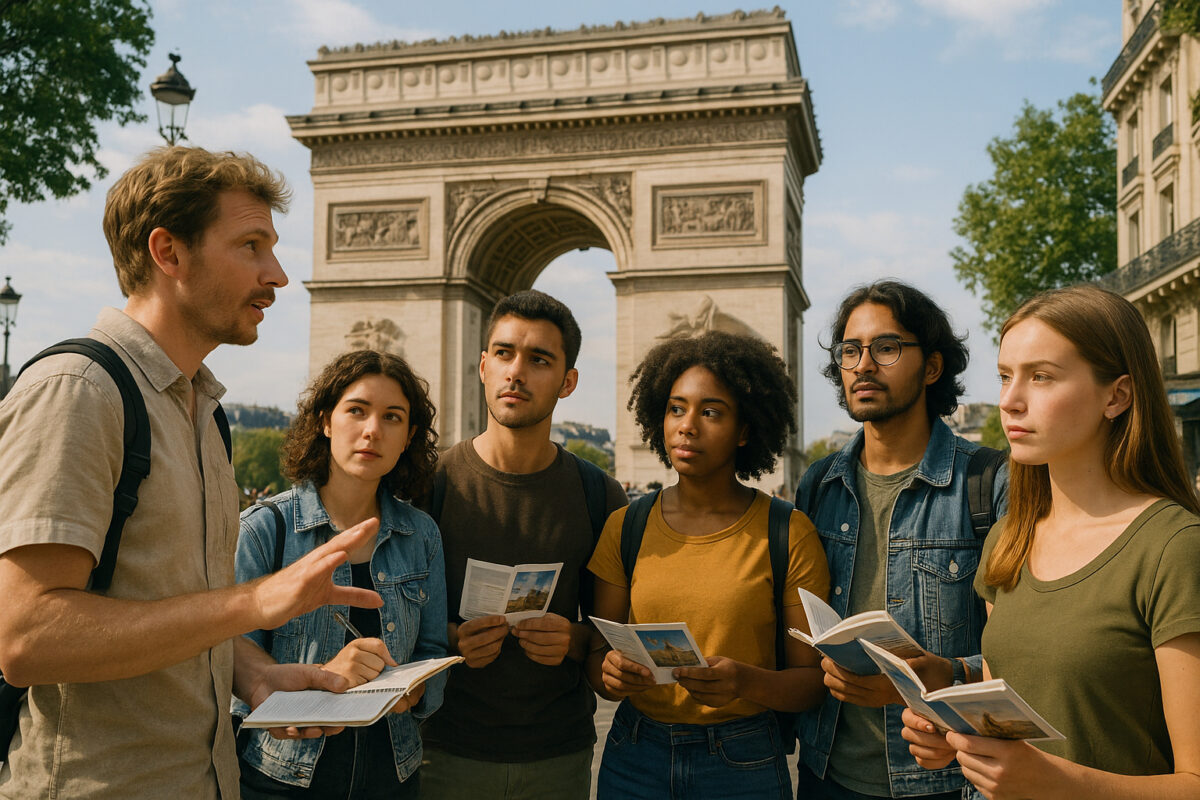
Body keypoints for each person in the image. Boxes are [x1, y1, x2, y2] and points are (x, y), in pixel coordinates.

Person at [0, 147, 383, 800]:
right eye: (251, 246)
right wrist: (255, 603)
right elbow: (26, 637)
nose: (278, 275)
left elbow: (176, 605)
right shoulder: (79, 392)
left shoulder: (206, 413)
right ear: (168, 252)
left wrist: (254, 676)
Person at [901, 285, 1200, 799]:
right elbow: (1016, 721)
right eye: (1005, 376)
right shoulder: (1008, 538)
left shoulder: (1174, 548)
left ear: (1117, 396)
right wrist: (957, 735)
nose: (1009, 401)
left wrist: (1055, 782)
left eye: (1041, 376)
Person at [587, 330, 831, 800]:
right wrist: (610, 675)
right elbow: (596, 658)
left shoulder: (788, 532)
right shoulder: (625, 526)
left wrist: (745, 682)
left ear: (745, 431)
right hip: (634, 754)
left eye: (711, 412)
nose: (687, 426)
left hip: (744, 763)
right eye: (676, 408)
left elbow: (813, 682)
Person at [794, 280, 1009, 800]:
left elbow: (1021, 656)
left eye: (886, 348)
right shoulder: (818, 485)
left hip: (946, 778)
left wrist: (939, 679)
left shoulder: (990, 482)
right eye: (850, 350)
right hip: (826, 773)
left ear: (932, 367)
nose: (863, 365)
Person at [419, 290, 626, 800]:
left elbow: (609, 636)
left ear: (567, 382)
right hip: (441, 748)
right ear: (483, 366)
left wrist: (573, 639)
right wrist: (450, 639)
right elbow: (391, 624)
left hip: (557, 754)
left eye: (539, 360)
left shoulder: (601, 494)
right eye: (505, 354)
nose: (516, 372)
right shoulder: (425, 485)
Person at [235, 350, 448, 799]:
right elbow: (230, 658)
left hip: (394, 776)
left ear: (408, 437)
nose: (372, 430)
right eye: (356, 410)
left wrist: (414, 691)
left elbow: (432, 648)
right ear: (325, 421)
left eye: (392, 417)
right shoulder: (263, 529)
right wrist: (324, 676)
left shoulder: (423, 534)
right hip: (282, 780)